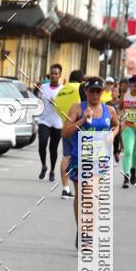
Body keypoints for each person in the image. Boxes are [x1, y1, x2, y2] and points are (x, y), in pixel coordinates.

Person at [62, 76, 119, 248]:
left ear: (103, 92)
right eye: (92, 91)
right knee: (81, 196)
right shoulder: (78, 108)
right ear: (86, 91)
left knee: (91, 195)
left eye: (98, 91)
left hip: (100, 159)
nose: (95, 94)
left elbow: (117, 125)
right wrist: (82, 120)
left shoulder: (109, 110)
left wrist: (112, 134)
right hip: (80, 158)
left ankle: (88, 233)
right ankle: (82, 230)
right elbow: (65, 132)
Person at [53, 68, 83, 198]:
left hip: (66, 125)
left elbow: (56, 106)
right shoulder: (80, 88)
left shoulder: (62, 90)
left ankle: (65, 188)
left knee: (66, 156)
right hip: (79, 125)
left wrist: (65, 119)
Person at [37, 63, 63, 181]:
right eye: (52, 73)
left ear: (60, 75)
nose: (53, 76)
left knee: (53, 149)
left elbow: (65, 106)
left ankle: (52, 170)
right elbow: (39, 101)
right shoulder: (43, 87)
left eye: (56, 74)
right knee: (42, 144)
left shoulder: (63, 90)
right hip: (44, 120)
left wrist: (57, 103)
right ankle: (44, 166)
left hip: (57, 122)